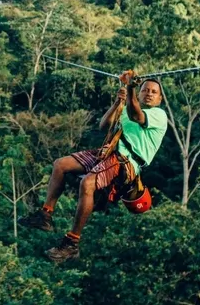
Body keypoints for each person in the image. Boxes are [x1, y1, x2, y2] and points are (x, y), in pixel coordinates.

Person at [18, 69, 168, 263]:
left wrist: (130, 88)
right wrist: (118, 102)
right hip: (107, 152)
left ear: (159, 98)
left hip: (125, 162)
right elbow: (104, 126)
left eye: (153, 92)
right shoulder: (128, 108)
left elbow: (137, 116)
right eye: (145, 90)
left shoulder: (158, 115)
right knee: (60, 165)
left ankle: (72, 243)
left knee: (87, 184)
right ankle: (45, 215)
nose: (148, 93)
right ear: (139, 94)